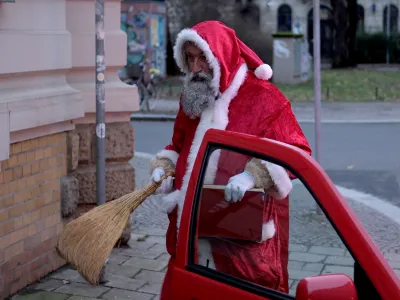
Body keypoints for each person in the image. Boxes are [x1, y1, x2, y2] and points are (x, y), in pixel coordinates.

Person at [149, 20, 312, 295]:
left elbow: (297, 150)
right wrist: (164, 168)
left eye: (203, 57)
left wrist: (254, 175)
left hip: (242, 240)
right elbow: (178, 145)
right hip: (192, 230)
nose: (196, 67)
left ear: (221, 56)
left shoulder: (264, 97)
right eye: (189, 58)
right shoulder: (193, 96)